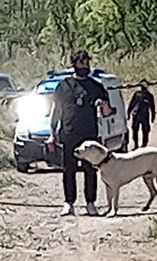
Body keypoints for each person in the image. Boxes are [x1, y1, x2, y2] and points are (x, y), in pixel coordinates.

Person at [46, 50, 110, 216]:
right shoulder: (64, 86)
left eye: (87, 63)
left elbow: (108, 112)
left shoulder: (96, 86)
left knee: (90, 170)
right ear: (74, 64)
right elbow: (55, 110)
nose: (85, 66)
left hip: (90, 135)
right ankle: (69, 203)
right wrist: (52, 133)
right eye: (82, 63)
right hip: (69, 133)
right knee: (69, 169)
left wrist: (103, 105)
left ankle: (90, 203)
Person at [128, 84, 156, 149]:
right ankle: (136, 145)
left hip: (145, 115)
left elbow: (152, 107)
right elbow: (131, 104)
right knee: (135, 130)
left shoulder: (149, 96)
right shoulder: (136, 94)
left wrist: (153, 116)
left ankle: (144, 144)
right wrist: (128, 113)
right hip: (136, 115)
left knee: (145, 130)